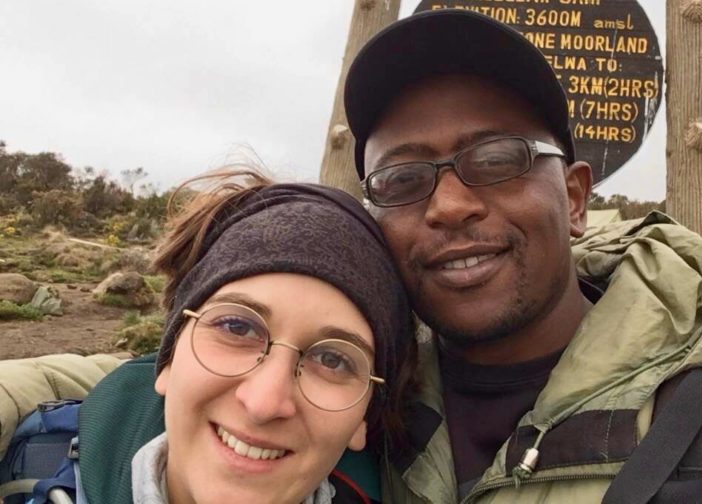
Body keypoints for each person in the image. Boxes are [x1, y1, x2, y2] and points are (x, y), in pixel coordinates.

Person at [343, 9, 702, 503]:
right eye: (402, 180)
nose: (450, 206)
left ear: (575, 198)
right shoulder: (347, 416)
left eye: (497, 159)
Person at [18, 173, 415, 504]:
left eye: (332, 360)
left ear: (364, 418)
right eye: (236, 327)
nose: (264, 404)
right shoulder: (26, 477)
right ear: (169, 358)